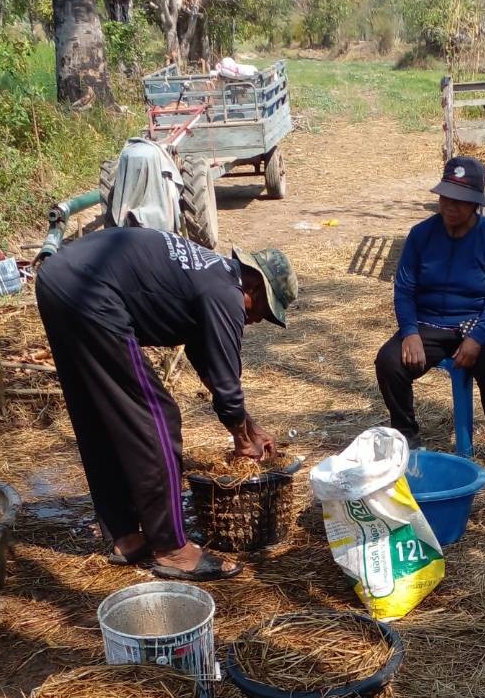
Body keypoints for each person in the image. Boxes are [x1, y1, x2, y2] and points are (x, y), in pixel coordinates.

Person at [35, 228, 295, 580]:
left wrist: (249, 427)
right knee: (157, 420)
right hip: (92, 291)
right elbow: (227, 387)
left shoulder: (212, 275)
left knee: (100, 415)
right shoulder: (226, 295)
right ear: (254, 286)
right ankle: (173, 549)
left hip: (58, 279)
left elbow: (211, 369)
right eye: (262, 312)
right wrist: (241, 438)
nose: (254, 321)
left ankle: (126, 535)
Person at [375, 156, 485, 474]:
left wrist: (478, 338)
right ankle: (407, 436)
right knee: (388, 361)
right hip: (428, 325)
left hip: (476, 323)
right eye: (445, 197)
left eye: (460, 201)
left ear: (475, 205)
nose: (450, 206)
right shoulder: (420, 235)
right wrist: (410, 331)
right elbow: (404, 289)